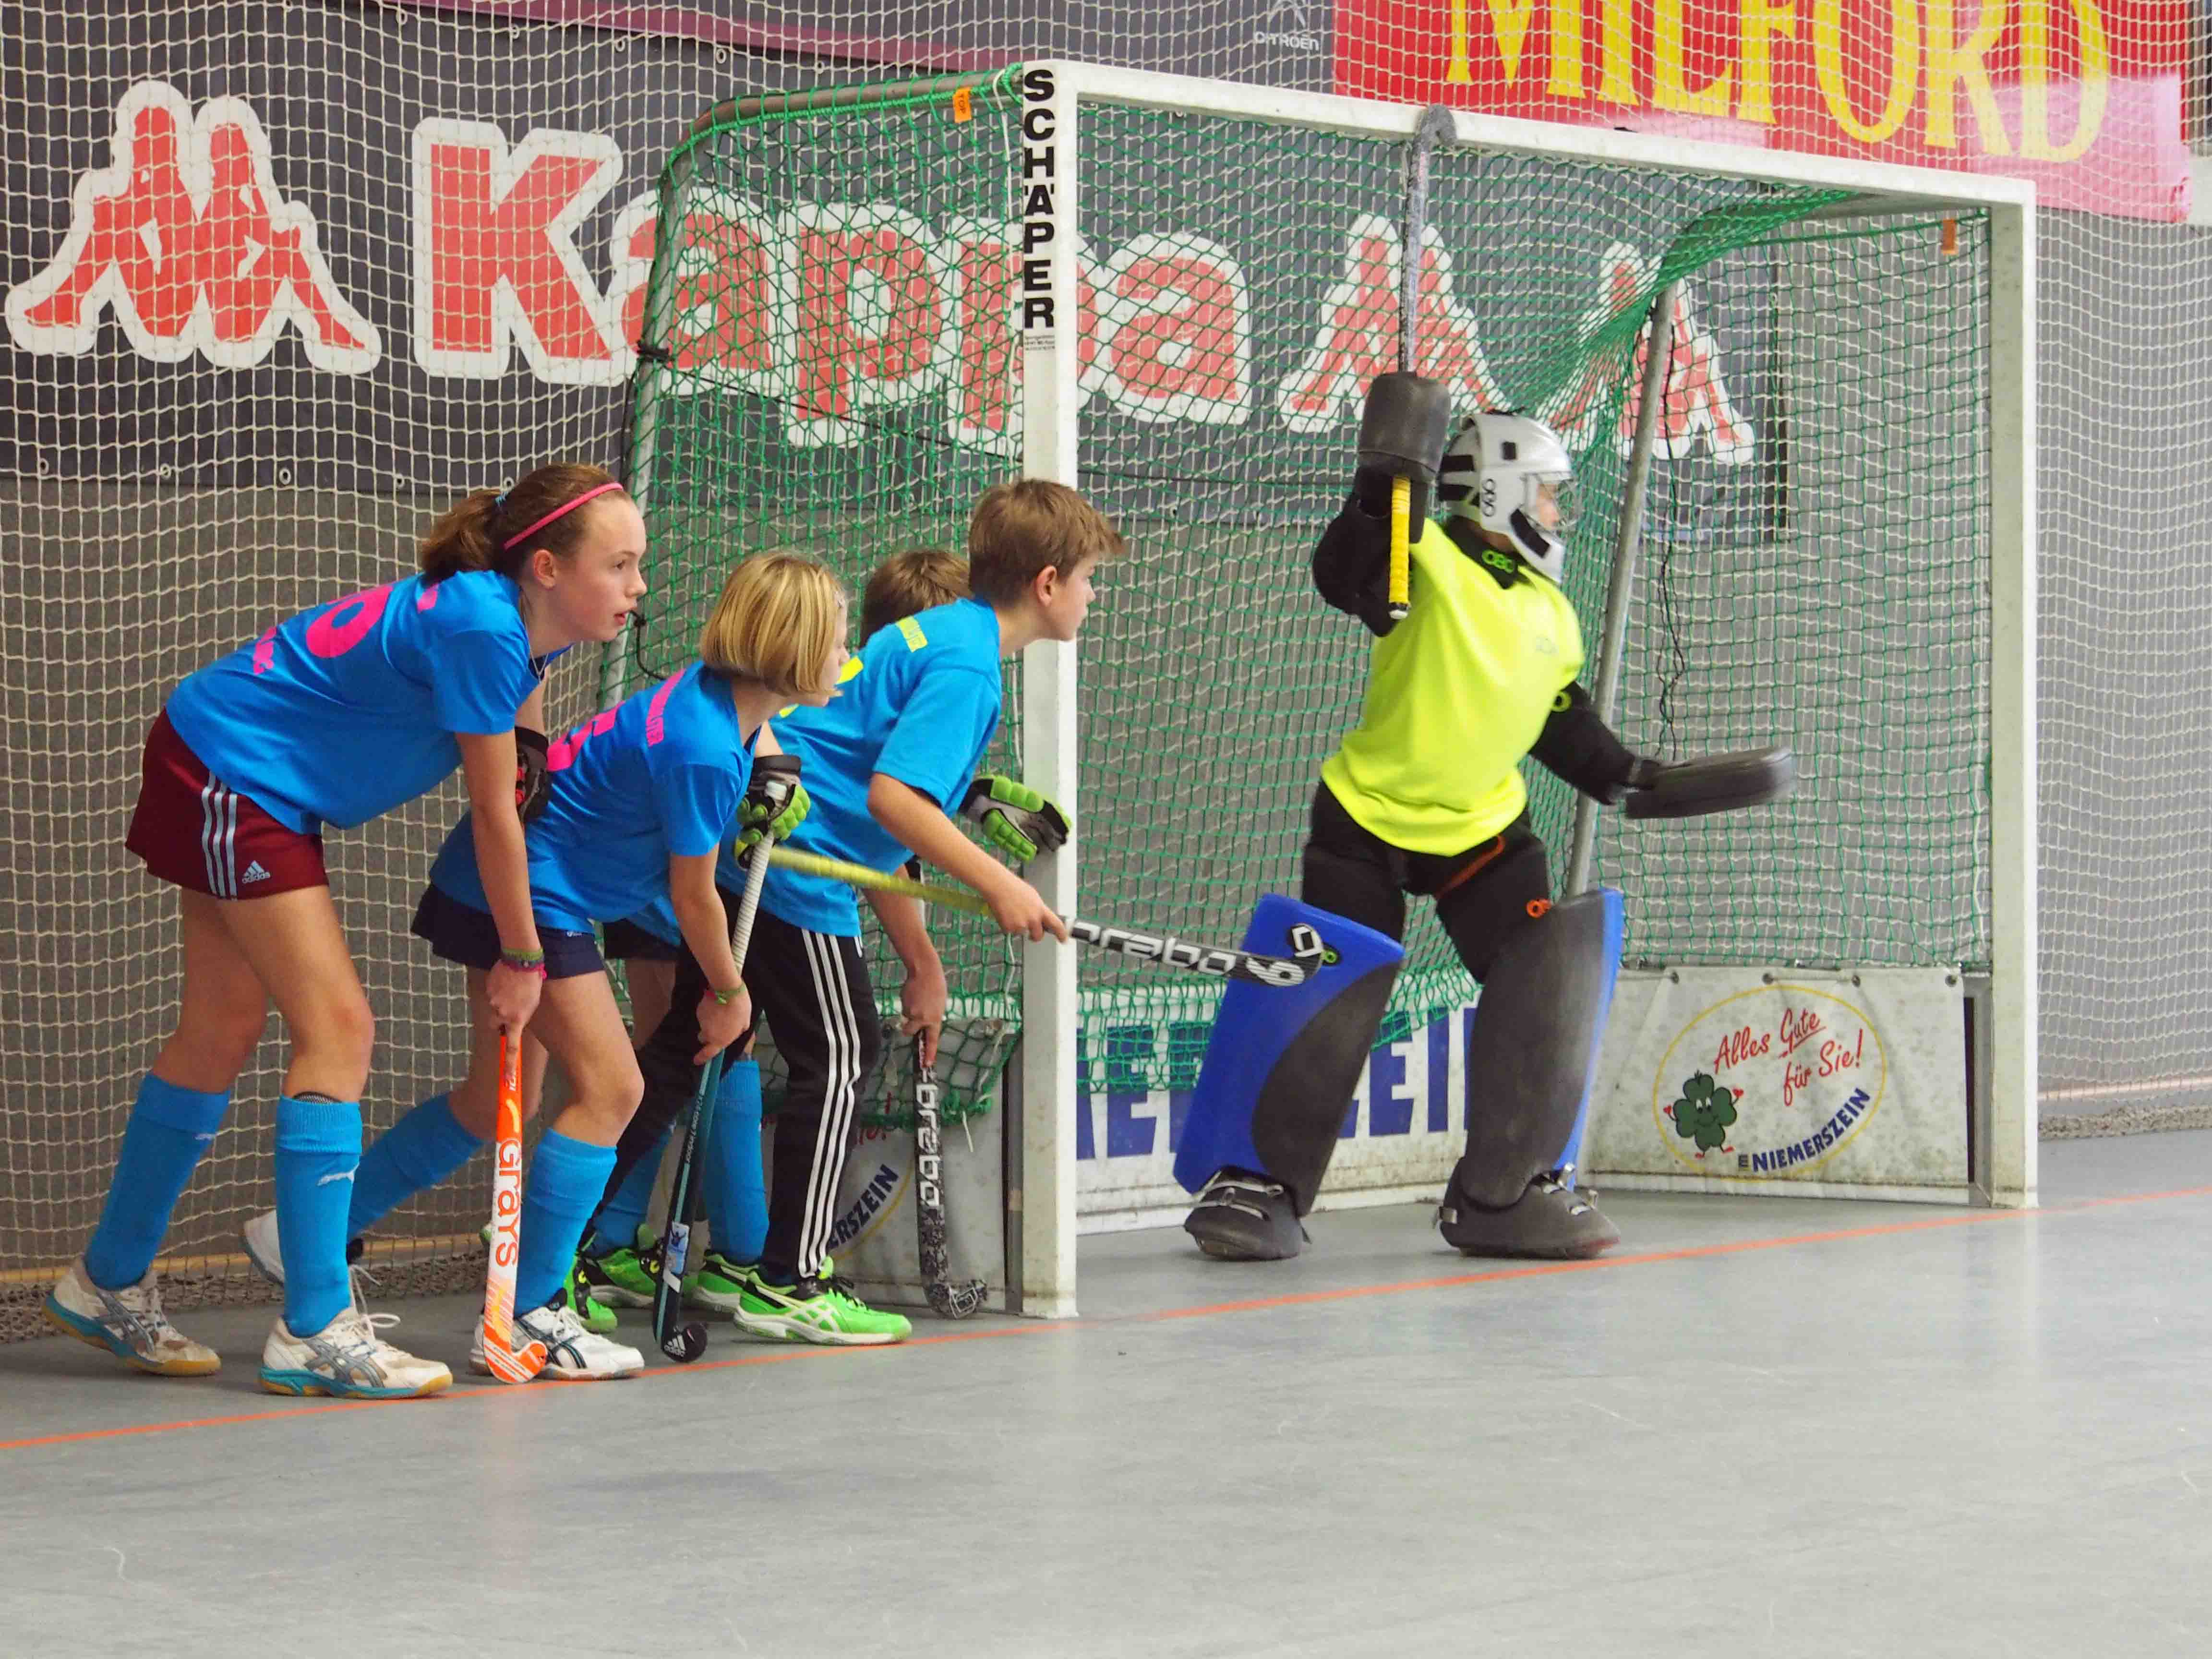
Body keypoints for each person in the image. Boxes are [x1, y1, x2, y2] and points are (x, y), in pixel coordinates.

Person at [47, 463, 639, 1397]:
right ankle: (315, 1326)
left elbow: (516, 752)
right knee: (341, 1029)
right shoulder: (487, 626)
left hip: (241, 768)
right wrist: (522, 954)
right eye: (621, 564)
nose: (638, 587)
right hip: (234, 772)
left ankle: (105, 1281)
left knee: (222, 1027)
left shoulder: (525, 627)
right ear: (549, 569)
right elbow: (494, 817)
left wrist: (530, 748)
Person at [240, 549, 845, 1378]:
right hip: (523, 892)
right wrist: (731, 995)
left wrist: (773, 758)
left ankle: (305, 1228)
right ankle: (530, 1309)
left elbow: (739, 745)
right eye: (836, 639)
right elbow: (696, 896)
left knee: (494, 1099)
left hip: (504, 879)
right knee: (614, 1087)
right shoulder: (707, 750)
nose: (847, 656)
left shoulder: (713, 701)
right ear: (793, 651)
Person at [1181, 397, 1662, 1262]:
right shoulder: (1427, 553)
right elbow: (1349, 577)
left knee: (1544, 985)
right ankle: (1255, 1185)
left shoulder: (1554, 613)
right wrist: (1382, 486)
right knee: (1329, 990)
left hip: (1485, 833)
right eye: (1550, 494)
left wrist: (1633, 775)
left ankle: (1505, 1193)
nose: (1558, 513)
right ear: (1502, 492)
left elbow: (1559, 720)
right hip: (1369, 819)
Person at [580, 546, 976, 1318]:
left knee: (684, 1052)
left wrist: (976, 796)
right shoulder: (929, 687)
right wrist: (924, 961)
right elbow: (890, 835)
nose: (849, 657)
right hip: (762, 883)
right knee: (836, 1054)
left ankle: (577, 1246)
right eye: (835, 644)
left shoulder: (837, 690)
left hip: (725, 870)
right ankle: (791, 1277)